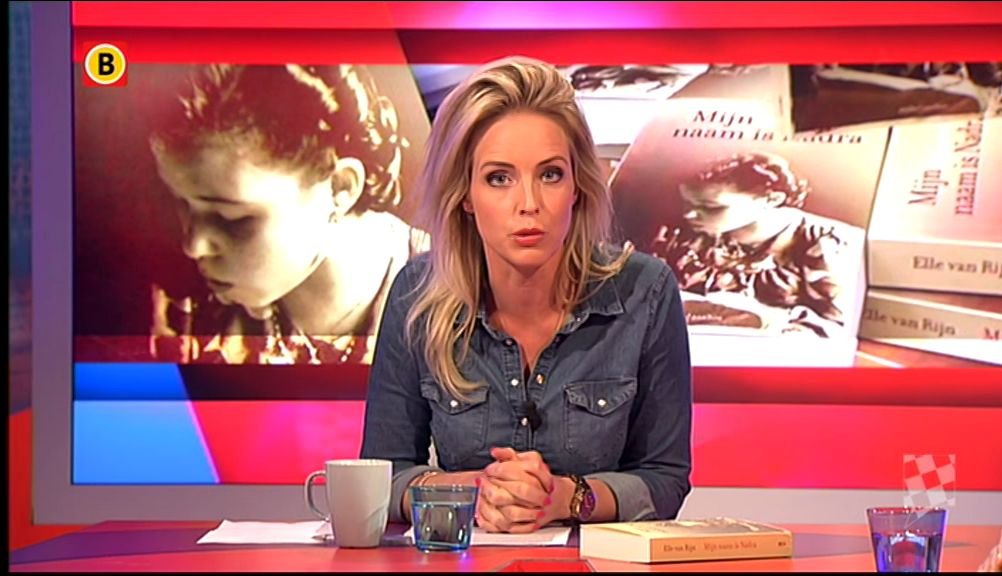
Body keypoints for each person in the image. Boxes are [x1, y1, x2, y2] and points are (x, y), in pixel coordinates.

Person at [360, 56, 692, 533]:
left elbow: (664, 480)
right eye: (499, 178)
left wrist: (565, 497)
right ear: (465, 194)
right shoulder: (418, 294)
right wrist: (474, 491)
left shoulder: (646, 291)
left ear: (577, 186)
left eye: (550, 175)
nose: (529, 204)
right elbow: (383, 477)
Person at [148, 64, 426, 364]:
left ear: (339, 187)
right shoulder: (182, 316)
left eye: (230, 218)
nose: (193, 246)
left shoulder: (453, 294)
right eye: (182, 204)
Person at [648, 151, 861, 338]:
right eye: (687, 202)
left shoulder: (829, 243)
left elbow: (835, 327)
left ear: (771, 200)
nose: (689, 214)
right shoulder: (679, 233)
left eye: (710, 207)